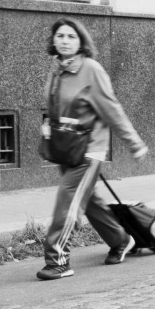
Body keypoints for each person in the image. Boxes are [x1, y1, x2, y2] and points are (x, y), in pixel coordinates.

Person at [37, 17, 148, 280]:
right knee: (89, 202)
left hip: (88, 150)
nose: (65, 41)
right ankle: (121, 240)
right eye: (60, 36)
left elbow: (112, 110)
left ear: (81, 42)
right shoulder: (57, 69)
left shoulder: (91, 70)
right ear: (53, 40)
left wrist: (135, 143)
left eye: (71, 37)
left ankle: (58, 259)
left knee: (68, 203)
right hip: (65, 148)